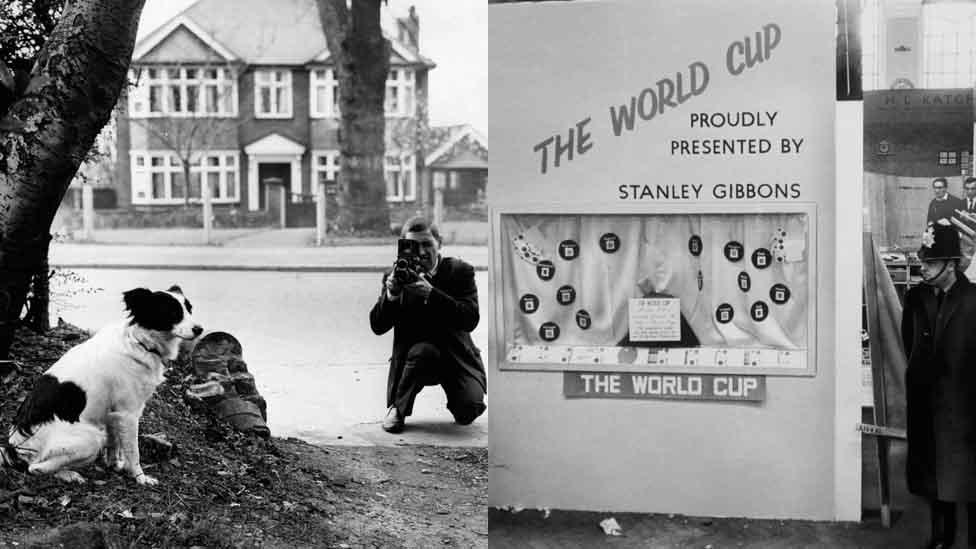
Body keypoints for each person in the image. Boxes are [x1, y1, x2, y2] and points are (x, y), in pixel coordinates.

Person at [369, 216, 486, 433]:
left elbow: (470, 319)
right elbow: (377, 326)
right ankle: (398, 409)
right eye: (413, 246)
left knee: (468, 412)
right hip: (416, 361)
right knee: (423, 352)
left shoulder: (460, 272)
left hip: (456, 357)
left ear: (439, 244)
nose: (421, 252)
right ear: (403, 247)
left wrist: (431, 294)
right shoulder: (396, 275)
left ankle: (462, 400)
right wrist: (392, 294)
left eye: (427, 244)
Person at [902, 222, 976, 549]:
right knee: (934, 480)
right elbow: (910, 342)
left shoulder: (974, 299)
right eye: (924, 261)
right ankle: (940, 540)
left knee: (970, 480)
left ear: (951, 264)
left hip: (965, 407)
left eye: (931, 262)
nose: (923, 267)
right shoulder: (916, 297)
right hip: (927, 403)